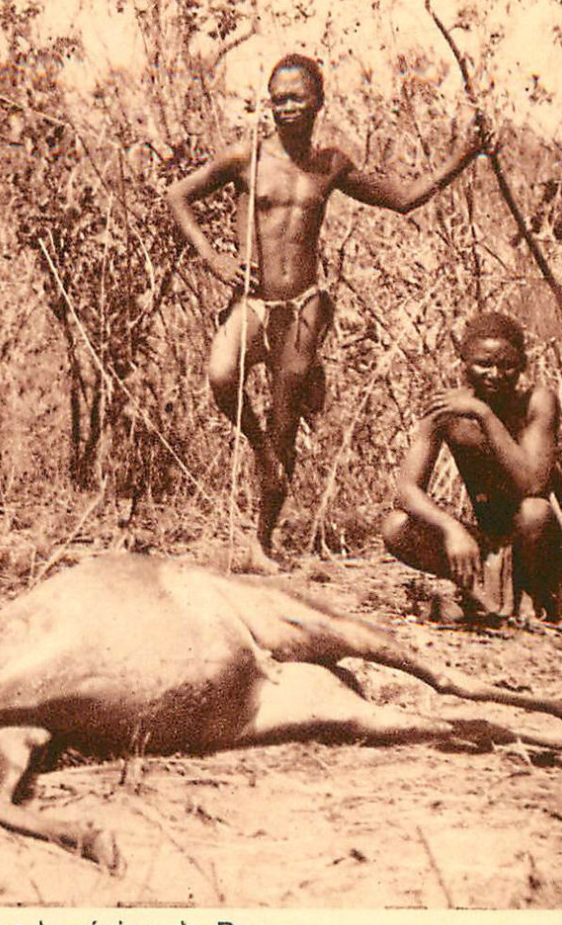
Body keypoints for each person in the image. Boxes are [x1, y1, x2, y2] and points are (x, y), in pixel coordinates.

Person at [166, 53, 484, 570]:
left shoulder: (330, 165)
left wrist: (463, 156)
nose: (285, 107)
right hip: (253, 302)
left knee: (286, 422)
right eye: (278, 98)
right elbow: (178, 195)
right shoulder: (245, 158)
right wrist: (213, 257)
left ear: (318, 103)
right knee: (223, 376)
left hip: (303, 307)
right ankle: (260, 447)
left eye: (297, 98)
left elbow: (402, 198)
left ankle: (262, 543)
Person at [380, 311, 562, 633]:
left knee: (534, 512)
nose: (495, 374)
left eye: (507, 365)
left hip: (544, 549)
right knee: (396, 526)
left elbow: (533, 484)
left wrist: (484, 414)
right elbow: (406, 491)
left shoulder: (538, 402)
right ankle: (498, 598)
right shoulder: (447, 409)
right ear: (463, 360)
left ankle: (531, 599)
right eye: (484, 364)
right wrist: (452, 529)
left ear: (523, 364)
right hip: (491, 544)